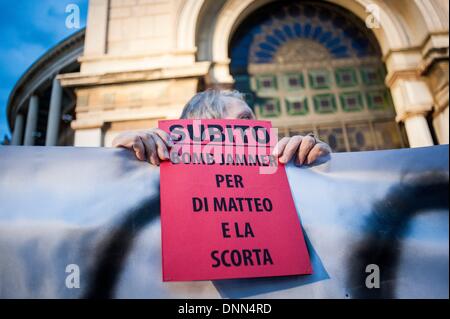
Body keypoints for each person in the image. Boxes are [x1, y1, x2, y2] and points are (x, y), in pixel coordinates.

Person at [112, 90, 331, 166]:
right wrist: (125, 154)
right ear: (207, 130)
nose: (261, 130)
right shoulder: (161, 163)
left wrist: (316, 165)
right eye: (246, 120)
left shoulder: (281, 164)